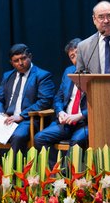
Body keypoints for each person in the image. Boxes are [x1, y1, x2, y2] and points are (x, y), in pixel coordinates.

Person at [0, 43, 55, 172]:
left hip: (27, 120)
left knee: (18, 136)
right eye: (16, 60)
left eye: (23, 58)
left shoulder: (42, 75)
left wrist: (21, 116)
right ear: (11, 62)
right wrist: (1, 114)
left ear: (30, 57)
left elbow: (45, 101)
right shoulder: (7, 76)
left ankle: (13, 178)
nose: (20, 63)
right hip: (6, 119)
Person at [34, 38, 88, 169]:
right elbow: (58, 98)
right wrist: (60, 113)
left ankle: (68, 178)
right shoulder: (68, 71)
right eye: (72, 56)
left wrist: (80, 115)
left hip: (85, 123)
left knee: (76, 141)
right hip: (66, 122)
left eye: (78, 52)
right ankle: (55, 173)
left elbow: (100, 103)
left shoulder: (96, 71)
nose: (76, 58)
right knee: (39, 138)